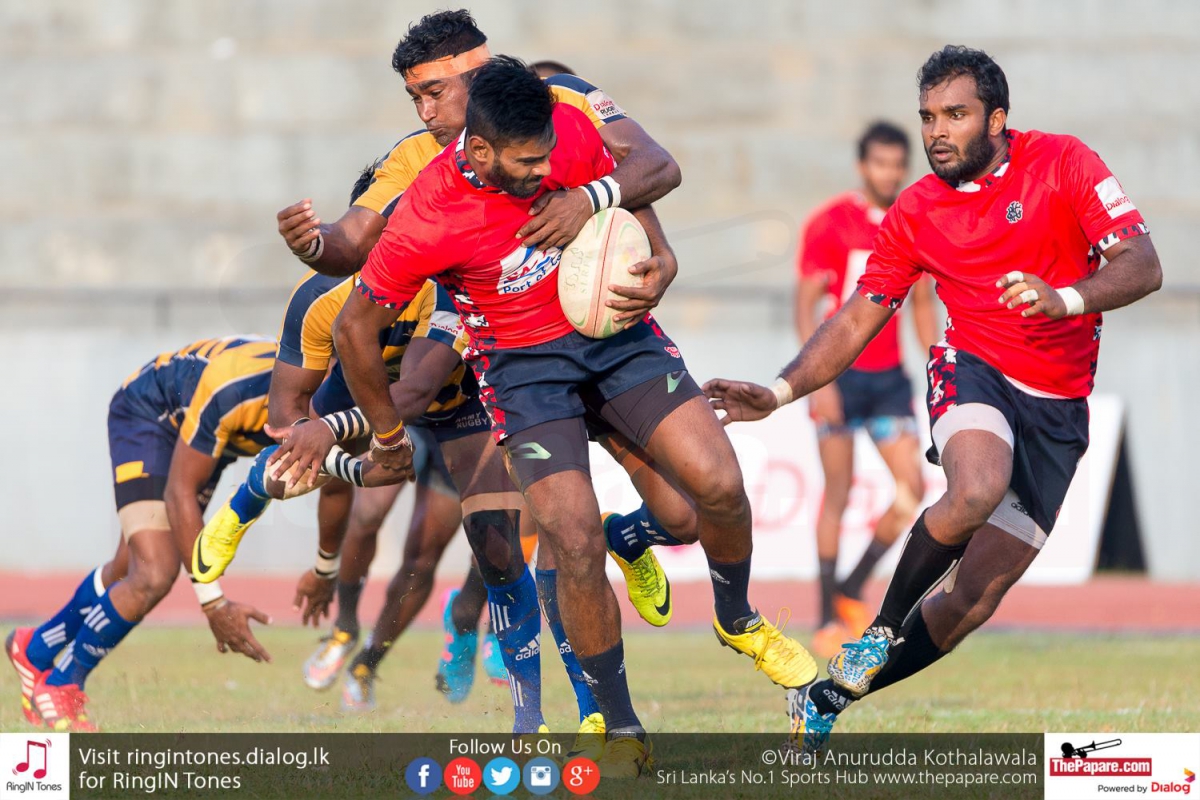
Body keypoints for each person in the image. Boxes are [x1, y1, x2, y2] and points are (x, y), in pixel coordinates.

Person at [336, 57, 817, 777]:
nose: (542, 171)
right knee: (575, 541)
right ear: (479, 151)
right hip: (525, 377)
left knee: (716, 486)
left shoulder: (562, 127)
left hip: (618, 339)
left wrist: (614, 215)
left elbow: (649, 174)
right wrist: (384, 435)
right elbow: (353, 329)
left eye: (546, 157)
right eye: (527, 165)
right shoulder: (427, 214)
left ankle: (736, 617)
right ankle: (618, 724)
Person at [704, 45, 1162, 751]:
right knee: (976, 487)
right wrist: (780, 389)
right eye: (928, 117)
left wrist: (1066, 298)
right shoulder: (916, 210)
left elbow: (1143, 264)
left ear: (997, 119)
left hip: (1059, 405)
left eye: (955, 115)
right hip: (973, 366)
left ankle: (827, 696)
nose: (937, 132)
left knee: (972, 601)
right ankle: (878, 629)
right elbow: (857, 317)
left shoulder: (1065, 162)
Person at [6, 337, 283, 731]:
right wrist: (214, 603)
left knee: (129, 568)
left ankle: (34, 649)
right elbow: (179, 491)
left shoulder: (337, 401)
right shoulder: (237, 388)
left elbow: (337, 487)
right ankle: (62, 684)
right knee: (155, 571)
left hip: (202, 436)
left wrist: (325, 568)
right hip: (150, 412)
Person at [794, 121, 939, 656]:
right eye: (880, 163)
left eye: (898, 164)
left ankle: (853, 587)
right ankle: (826, 617)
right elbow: (805, 305)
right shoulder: (831, 223)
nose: (890, 173)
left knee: (912, 491)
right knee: (838, 493)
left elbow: (922, 305)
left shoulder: (915, 221)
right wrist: (816, 378)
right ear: (863, 166)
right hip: (838, 376)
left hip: (888, 382)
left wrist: (940, 365)